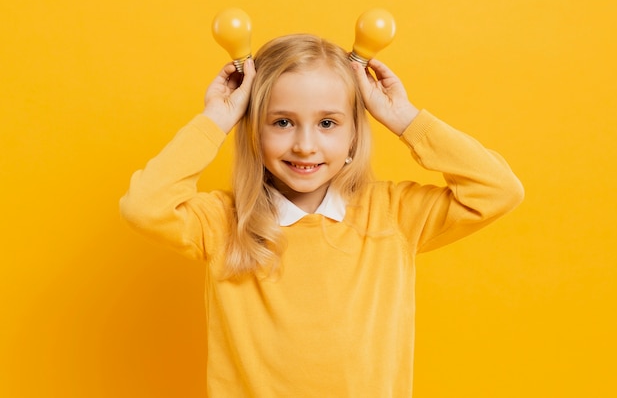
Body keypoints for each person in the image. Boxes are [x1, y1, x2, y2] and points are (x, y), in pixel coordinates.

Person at [120, 34, 524, 398]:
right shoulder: (224, 222)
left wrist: (405, 119)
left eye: (327, 123)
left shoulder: (393, 215)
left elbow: (497, 190)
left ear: (354, 134)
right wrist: (217, 119)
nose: (305, 145)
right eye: (282, 122)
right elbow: (144, 206)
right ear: (253, 133)